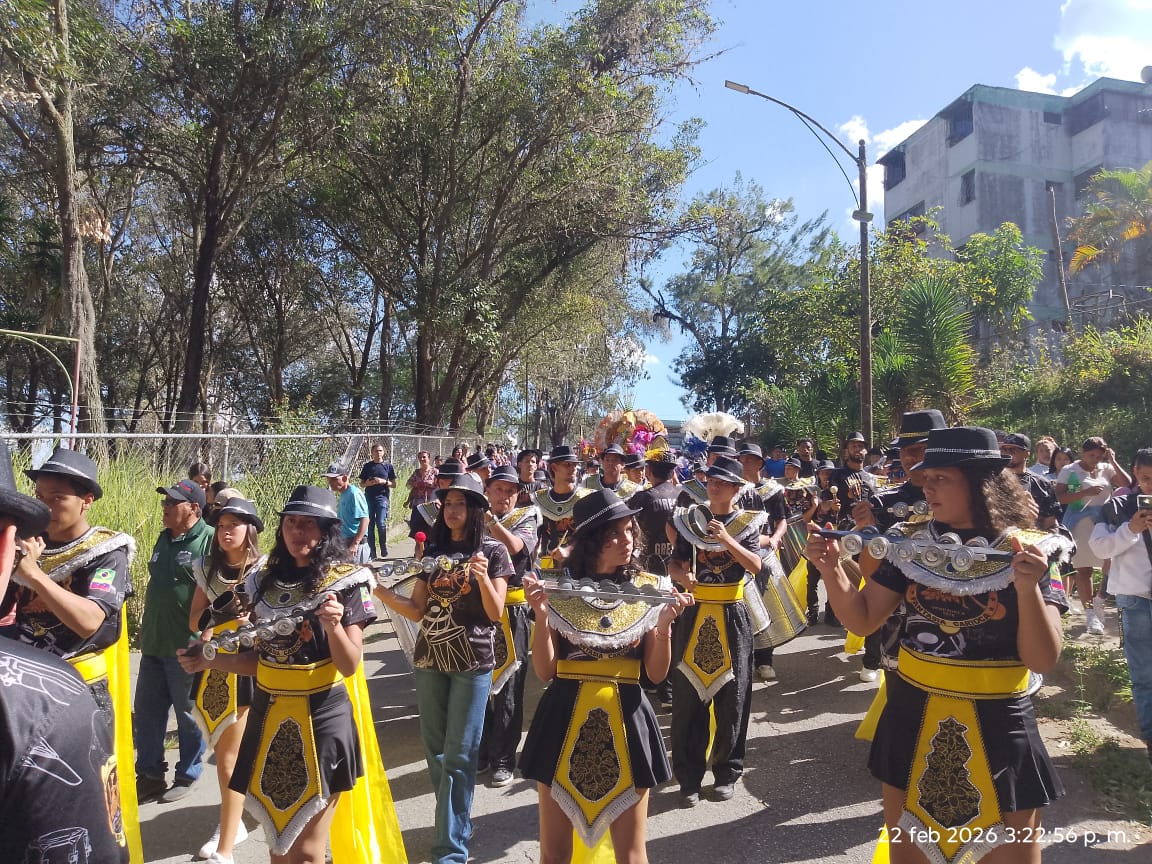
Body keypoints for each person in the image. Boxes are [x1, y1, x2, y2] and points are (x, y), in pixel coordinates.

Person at [807, 426, 1070, 864]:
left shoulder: (1039, 552)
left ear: (981, 482)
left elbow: (1043, 658)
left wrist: (1027, 590)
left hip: (999, 727)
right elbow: (863, 617)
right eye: (925, 478)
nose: (926, 487)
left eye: (940, 478)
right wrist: (831, 568)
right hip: (912, 716)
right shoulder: (910, 546)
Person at [179, 485, 403, 863]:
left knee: (309, 851)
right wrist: (209, 661)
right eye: (292, 523)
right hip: (269, 719)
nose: (299, 532)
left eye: (309, 524)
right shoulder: (260, 580)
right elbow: (259, 662)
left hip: (322, 720)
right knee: (278, 846)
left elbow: (349, 665)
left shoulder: (348, 581)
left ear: (326, 530)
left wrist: (333, 629)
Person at [519, 489, 690, 863]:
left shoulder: (651, 590)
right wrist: (542, 617)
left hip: (629, 721)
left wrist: (663, 627)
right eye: (614, 534)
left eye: (630, 530)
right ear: (591, 541)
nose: (625, 540)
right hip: (562, 721)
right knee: (554, 854)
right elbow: (546, 671)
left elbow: (656, 675)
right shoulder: (556, 589)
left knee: (631, 855)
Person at [374, 474, 513, 864]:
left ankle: (449, 849)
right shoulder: (433, 550)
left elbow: (495, 612)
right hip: (429, 658)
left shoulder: (493, 551)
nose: (452, 510)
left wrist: (483, 577)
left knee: (460, 753)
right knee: (435, 750)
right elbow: (417, 610)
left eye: (460, 503)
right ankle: (454, 822)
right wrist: (380, 592)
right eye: (448, 503)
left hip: (473, 662)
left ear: (475, 510)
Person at [8, 446, 139, 863]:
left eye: (57, 497)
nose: (46, 505)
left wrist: (33, 575)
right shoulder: (27, 543)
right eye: (40, 495)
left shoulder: (106, 552)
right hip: (22, 694)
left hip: (80, 697)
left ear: (87, 500)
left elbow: (91, 621)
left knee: (85, 804)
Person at [668, 455, 765, 806]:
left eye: (723, 482)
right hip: (693, 614)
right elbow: (674, 562)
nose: (714, 485)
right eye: (711, 479)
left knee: (732, 699)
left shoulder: (748, 523)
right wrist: (681, 576)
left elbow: (755, 565)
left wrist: (726, 539)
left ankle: (727, 773)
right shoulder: (690, 519)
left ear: (737, 490)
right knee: (687, 699)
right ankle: (688, 779)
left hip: (731, 613)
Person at [187, 496, 265, 863]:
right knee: (223, 753)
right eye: (220, 525)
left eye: (233, 524)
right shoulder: (207, 568)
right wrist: (220, 620)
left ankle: (225, 847)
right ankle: (234, 822)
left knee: (231, 757)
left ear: (250, 529)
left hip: (252, 666)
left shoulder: (266, 570)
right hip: (214, 667)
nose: (225, 531)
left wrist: (248, 624)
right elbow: (194, 621)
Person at [135, 478, 211, 804]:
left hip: (186, 645)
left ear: (194, 508)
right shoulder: (164, 538)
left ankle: (187, 773)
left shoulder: (208, 540)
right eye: (164, 502)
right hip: (153, 642)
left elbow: (219, 594)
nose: (164, 508)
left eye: (172, 503)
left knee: (188, 714)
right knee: (148, 714)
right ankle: (150, 775)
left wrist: (205, 639)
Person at [478, 465, 540, 786]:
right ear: (488, 490)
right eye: (498, 489)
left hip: (513, 608)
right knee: (477, 680)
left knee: (510, 684)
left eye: (511, 490)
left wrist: (489, 522)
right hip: (476, 607)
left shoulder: (529, 517)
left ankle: (504, 758)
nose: (504, 495)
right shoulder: (474, 515)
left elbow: (516, 547)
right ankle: (482, 748)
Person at [1090, 448, 1152, 768]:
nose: (1151, 486)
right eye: (1145, 479)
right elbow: (1099, 546)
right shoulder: (1117, 506)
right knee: (1144, 674)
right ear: (1134, 473)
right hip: (1136, 598)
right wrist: (1131, 529)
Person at [1054, 437, 1132, 635]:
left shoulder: (1105, 468)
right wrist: (1084, 492)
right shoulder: (1069, 470)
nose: (1094, 459)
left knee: (1110, 565)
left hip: (1104, 522)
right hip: (1080, 523)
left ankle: (1100, 600)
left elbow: (1127, 484)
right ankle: (1090, 614)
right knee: (1084, 571)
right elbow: (1060, 497)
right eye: (1091, 455)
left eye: (1098, 456)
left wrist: (1113, 461)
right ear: (1082, 452)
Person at [537, 445, 593, 568]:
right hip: (548, 565)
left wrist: (570, 550)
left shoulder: (587, 498)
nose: (573, 468)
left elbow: (593, 537)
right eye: (567, 464)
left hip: (580, 566)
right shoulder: (538, 500)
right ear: (554, 467)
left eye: (574, 465)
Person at [1001, 433, 1061, 531]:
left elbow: (1050, 524)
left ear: (1026, 453)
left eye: (1013, 450)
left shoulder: (1042, 484)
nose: (1008, 453)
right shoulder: (993, 481)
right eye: (1004, 449)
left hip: (1032, 539)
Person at [324, 461, 370, 564]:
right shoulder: (343, 494)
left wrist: (355, 543)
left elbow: (365, 519)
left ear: (344, 478)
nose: (331, 483)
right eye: (329, 479)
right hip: (345, 543)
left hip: (354, 544)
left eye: (334, 479)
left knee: (357, 577)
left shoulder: (354, 493)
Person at [359, 443, 397, 558]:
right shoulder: (367, 466)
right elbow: (361, 483)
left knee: (380, 523)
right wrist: (368, 483)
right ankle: (372, 551)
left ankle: (383, 545)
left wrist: (383, 481)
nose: (378, 453)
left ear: (383, 452)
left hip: (382, 497)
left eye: (380, 451)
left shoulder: (388, 466)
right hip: (369, 497)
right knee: (369, 525)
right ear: (372, 452)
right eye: (376, 451)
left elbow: (394, 484)